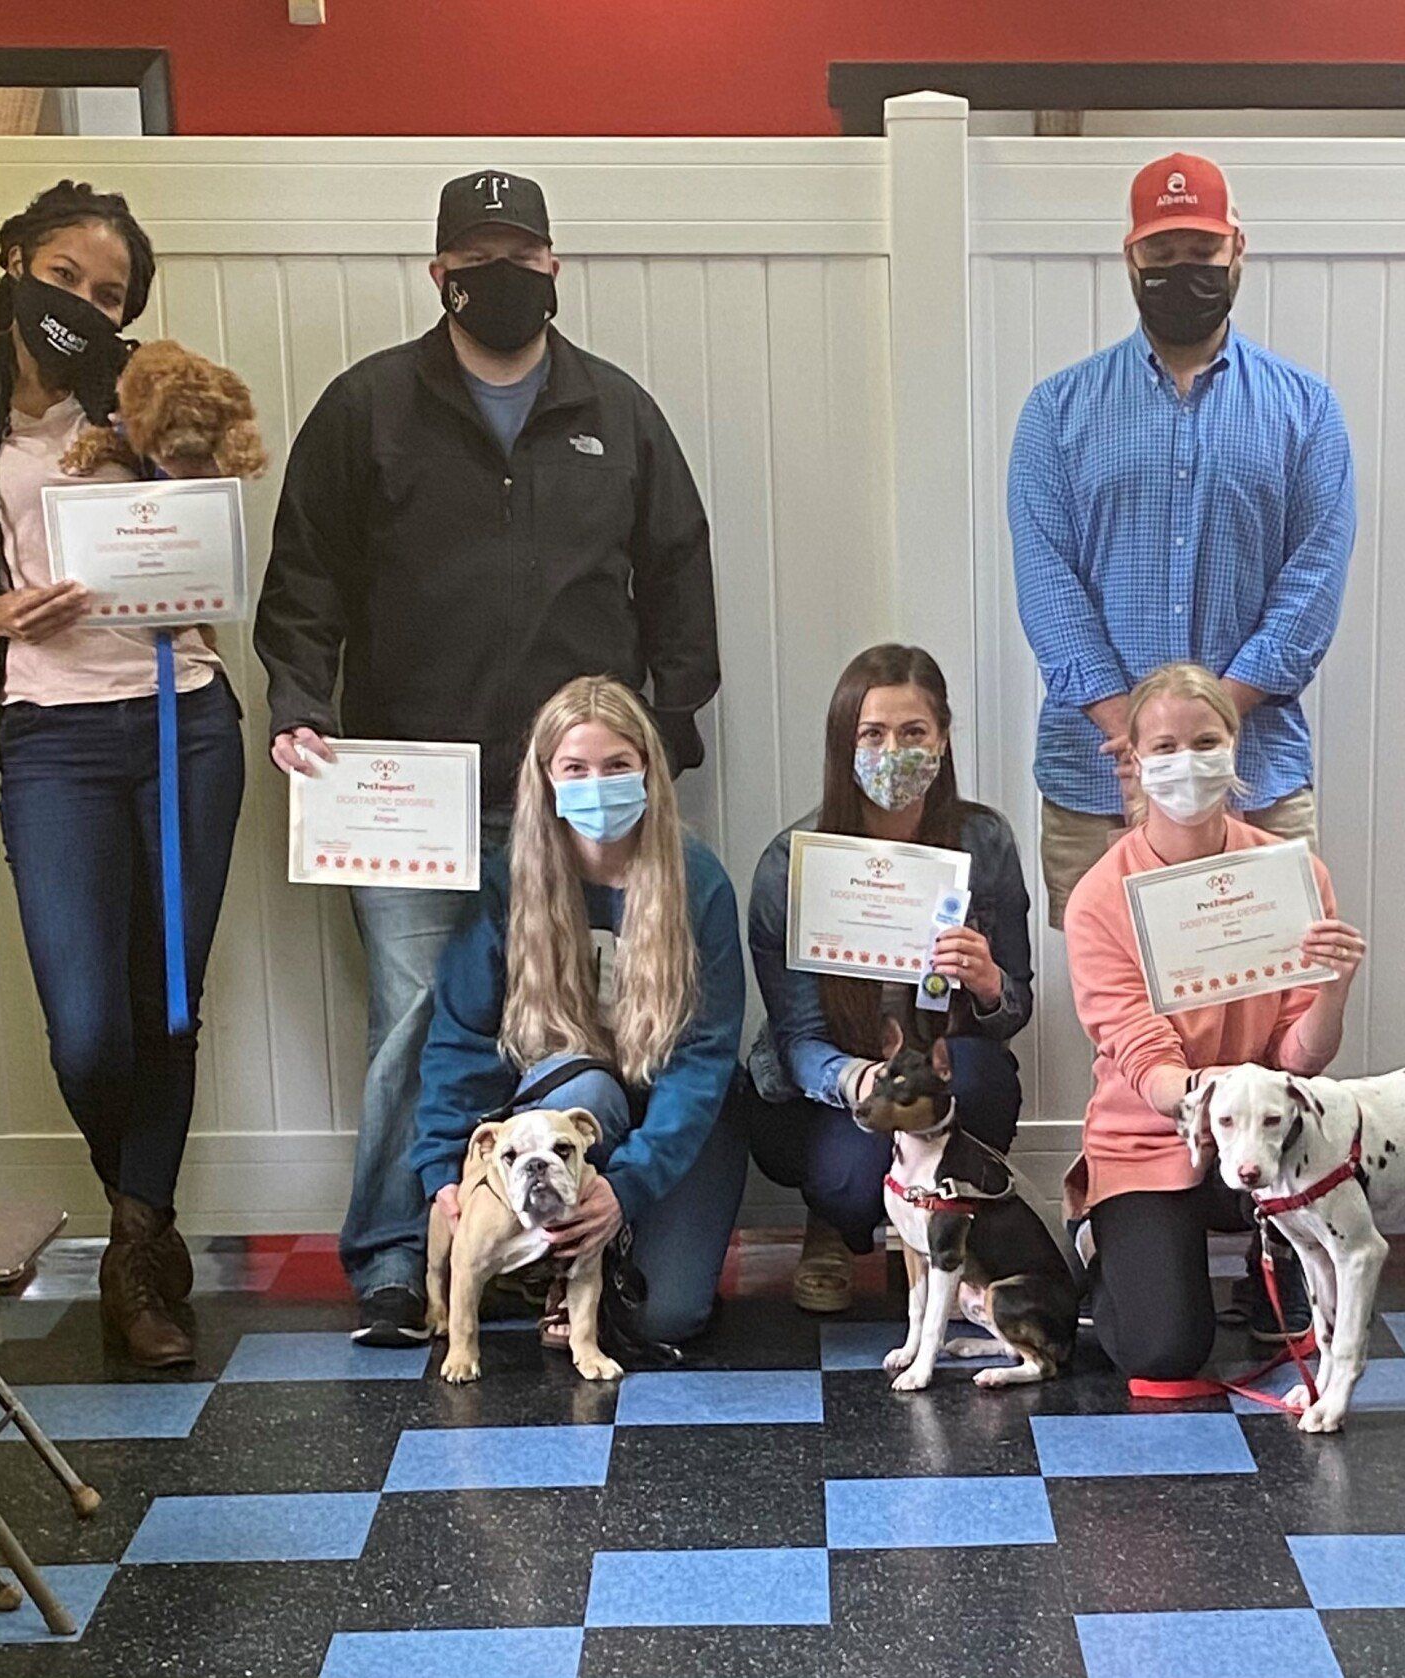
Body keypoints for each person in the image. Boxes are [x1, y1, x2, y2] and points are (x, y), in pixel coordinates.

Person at [255, 169, 720, 1344]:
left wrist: (672, 720)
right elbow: (305, 577)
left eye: (523, 252)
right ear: (441, 273)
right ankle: (399, 1257)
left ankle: (568, 1252)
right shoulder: (365, 409)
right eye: (481, 254)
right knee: (417, 1022)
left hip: (572, 799)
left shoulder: (618, 411)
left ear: (554, 268)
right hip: (404, 786)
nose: (503, 272)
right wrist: (300, 701)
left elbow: (679, 572)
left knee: (581, 1021)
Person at [0, 181, 246, 1367]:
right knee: (89, 1030)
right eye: (62, 281)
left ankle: (137, 1256)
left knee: (168, 1007)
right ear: (12, 262)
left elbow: (222, 499)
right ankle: (145, 1215)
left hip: (181, 723)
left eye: (107, 296)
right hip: (48, 736)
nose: (82, 308)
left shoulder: (148, 390)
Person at [1009, 151, 1357, 930]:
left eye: (1200, 254)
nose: (1183, 272)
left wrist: (1198, 734)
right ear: (1130, 258)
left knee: (1270, 1003)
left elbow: (1311, 590)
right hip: (1098, 783)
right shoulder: (1055, 413)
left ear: (1238, 248)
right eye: (1161, 256)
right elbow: (1048, 588)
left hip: (1255, 780)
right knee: (1107, 1017)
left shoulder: (1308, 410)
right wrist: (1137, 741)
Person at [410, 676, 745, 1348]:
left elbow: (704, 1057)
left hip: (677, 1118)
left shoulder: (697, 880)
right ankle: (564, 1262)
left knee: (667, 1319)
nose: (598, 784)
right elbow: (462, 1034)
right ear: (547, 779)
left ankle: (585, 1247)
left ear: (649, 770)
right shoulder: (511, 881)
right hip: (565, 1108)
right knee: (586, 1084)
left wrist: (627, 1186)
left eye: (618, 765)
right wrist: (442, 1168)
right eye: (576, 769)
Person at [1065, 663, 1365, 1385]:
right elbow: (1147, 1063)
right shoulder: (1099, 897)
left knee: (1310, 1305)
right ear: (1134, 762)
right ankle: (1105, 1245)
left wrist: (1334, 988)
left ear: (1235, 749)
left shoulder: (1290, 875)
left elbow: (1302, 1061)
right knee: (1163, 1354)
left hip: (1265, 1128)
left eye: (1205, 741)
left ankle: (1282, 1260)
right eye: (1163, 748)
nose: (1186, 763)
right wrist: (1215, 1097)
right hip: (1148, 1135)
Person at [742, 644, 1034, 1313]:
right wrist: (857, 1080)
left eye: (913, 733)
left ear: (943, 739)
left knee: (983, 1075)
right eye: (872, 734)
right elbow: (796, 1037)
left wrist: (989, 981)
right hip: (829, 1083)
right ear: (845, 743)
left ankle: (952, 1226)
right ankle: (834, 1227)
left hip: (935, 1066)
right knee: (844, 1177)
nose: (893, 751)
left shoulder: (983, 841)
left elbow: (1012, 1011)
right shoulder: (792, 861)